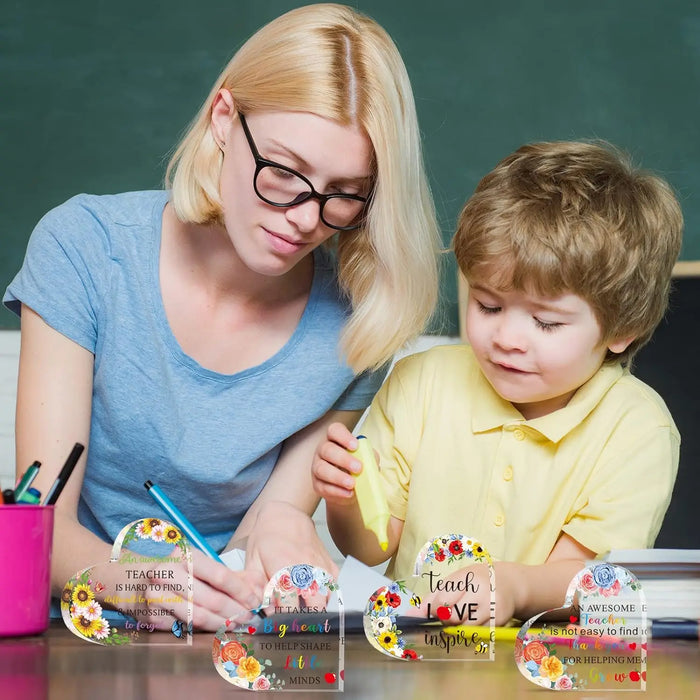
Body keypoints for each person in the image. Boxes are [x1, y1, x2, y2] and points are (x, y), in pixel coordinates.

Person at [4, 4, 440, 631]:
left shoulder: (361, 316)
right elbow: (40, 528)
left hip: (230, 634)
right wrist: (136, 581)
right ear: (224, 120)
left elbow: (273, 518)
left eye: (345, 193)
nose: (307, 218)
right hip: (76, 635)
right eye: (285, 174)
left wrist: (286, 532)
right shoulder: (84, 248)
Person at [312, 140, 683, 625]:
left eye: (546, 323)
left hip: (543, 665)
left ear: (620, 330)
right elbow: (371, 544)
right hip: (417, 656)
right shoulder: (420, 381)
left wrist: (513, 585)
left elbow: (589, 579)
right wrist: (345, 499)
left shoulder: (637, 429)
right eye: (488, 306)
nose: (507, 338)